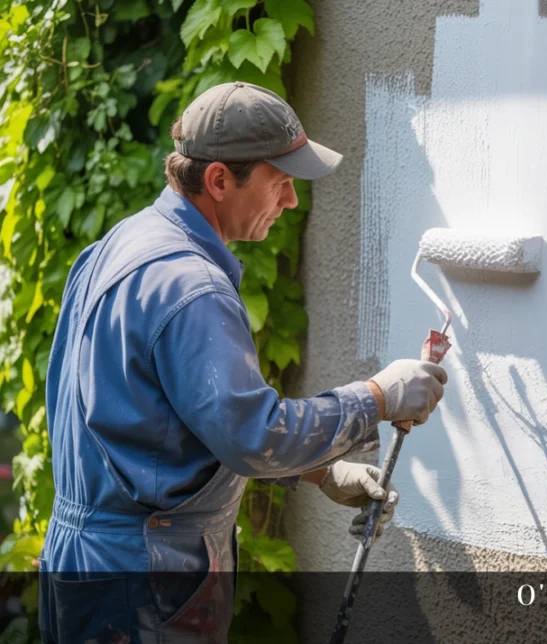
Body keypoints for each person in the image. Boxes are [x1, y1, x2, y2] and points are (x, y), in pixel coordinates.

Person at [38, 82, 448, 642]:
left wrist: (321, 470)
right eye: (280, 182)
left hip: (87, 567)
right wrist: (378, 397)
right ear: (218, 180)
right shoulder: (193, 288)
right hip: (145, 583)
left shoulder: (120, 244)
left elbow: (163, 421)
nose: (292, 201)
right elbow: (253, 435)